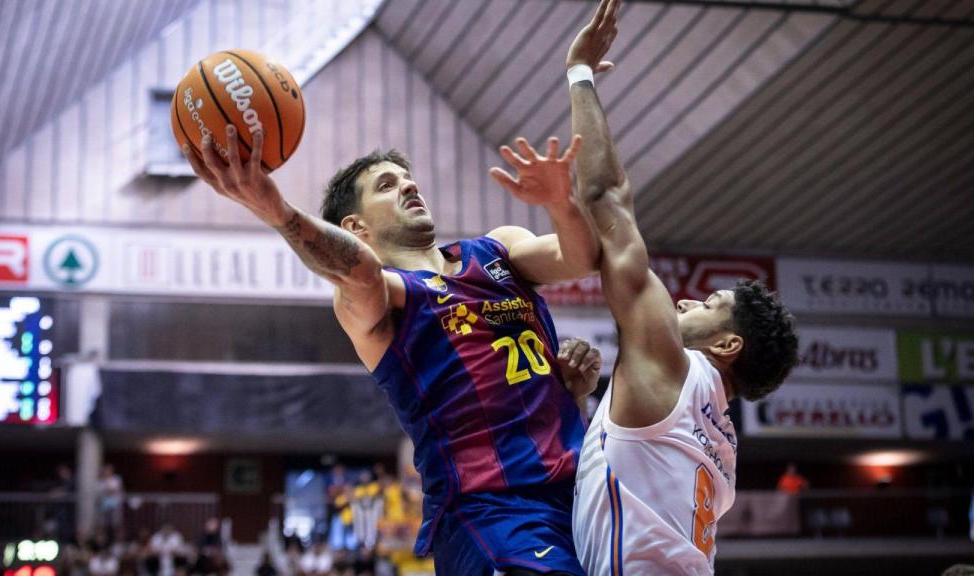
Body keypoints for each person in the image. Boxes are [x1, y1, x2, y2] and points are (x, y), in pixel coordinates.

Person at [182, 84, 602, 572]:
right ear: (356, 227)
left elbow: (584, 256)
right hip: (494, 511)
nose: (408, 185)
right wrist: (277, 211)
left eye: (407, 179)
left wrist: (560, 201)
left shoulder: (496, 250)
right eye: (386, 185)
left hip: (587, 490)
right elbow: (356, 270)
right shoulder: (379, 299)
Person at [562, 1, 800, 574]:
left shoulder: (671, 364)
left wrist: (579, 72)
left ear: (726, 346)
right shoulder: (721, 453)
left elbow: (604, 199)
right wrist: (578, 406)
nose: (689, 301)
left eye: (712, 304)